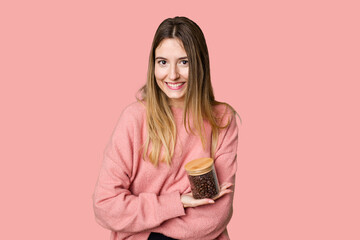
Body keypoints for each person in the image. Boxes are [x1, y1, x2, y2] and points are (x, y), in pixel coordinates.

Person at [92, 16, 241, 240]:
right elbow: (105, 206)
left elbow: (214, 216)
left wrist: (143, 222)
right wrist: (177, 202)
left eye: (184, 62)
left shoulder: (222, 119)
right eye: (163, 62)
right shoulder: (134, 119)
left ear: (200, 63)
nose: (172, 75)